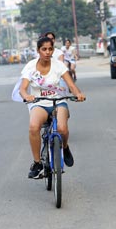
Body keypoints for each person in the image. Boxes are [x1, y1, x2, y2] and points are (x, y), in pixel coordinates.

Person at [18, 37, 86, 179]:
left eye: (50, 49)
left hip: (58, 101)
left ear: (53, 50)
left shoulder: (59, 65)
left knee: (62, 129)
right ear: (38, 51)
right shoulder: (30, 67)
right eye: (44, 49)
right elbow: (23, 89)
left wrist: (78, 94)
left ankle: (65, 147)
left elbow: (71, 85)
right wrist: (27, 96)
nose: (47, 52)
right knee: (33, 127)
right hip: (40, 103)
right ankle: (37, 163)